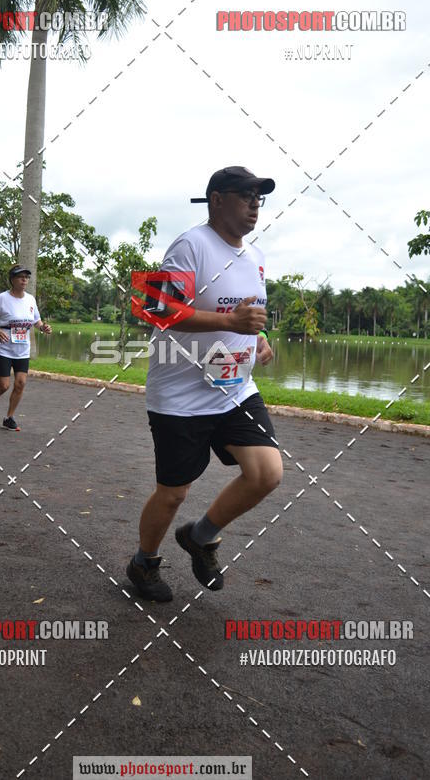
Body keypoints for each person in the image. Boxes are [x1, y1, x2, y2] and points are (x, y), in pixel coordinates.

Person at [127, 166, 283, 602]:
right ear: (217, 199)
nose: (255, 204)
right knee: (173, 493)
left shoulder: (254, 257)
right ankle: (144, 563)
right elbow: (157, 309)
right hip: (179, 396)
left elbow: (248, 314)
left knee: (267, 474)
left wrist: (259, 339)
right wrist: (230, 321)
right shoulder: (191, 245)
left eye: (259, 197)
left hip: (233, 389)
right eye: (245, 195)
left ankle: (201, 536)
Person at [0, 265, 51, 431]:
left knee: (20, 384)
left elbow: (36, 320)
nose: (24, 279)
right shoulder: (2, 299)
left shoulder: (30, 299)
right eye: (20, 276)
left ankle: (9, 417)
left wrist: (43, 327)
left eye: (26, 277)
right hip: (3, 349)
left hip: (22, 349)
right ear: (12, 280)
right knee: (4, 385)